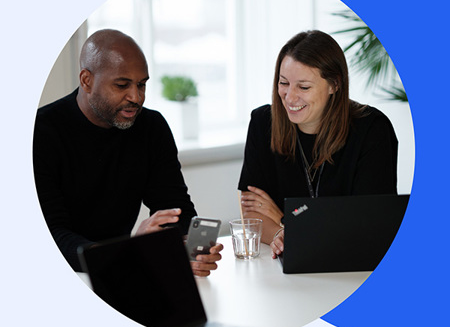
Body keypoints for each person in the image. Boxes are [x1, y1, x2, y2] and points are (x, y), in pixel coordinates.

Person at [33, 29, 222, 276]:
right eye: (122, 85)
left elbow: (175, 209)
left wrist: (186, 247)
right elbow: (52, 235)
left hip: (121, 270)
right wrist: (128, 251)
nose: (136, 97)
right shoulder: (41, 132)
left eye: (142, 84)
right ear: (86, 80)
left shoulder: (151, 127)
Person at [238, 30, 398, 259]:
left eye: (303, 87)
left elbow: (367, 223)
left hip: (351, 266)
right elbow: (252, 213)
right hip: (282, 262)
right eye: (283, 83)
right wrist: (281, 235)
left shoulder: (372, 129)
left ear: (334, 84)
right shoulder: (262, 122)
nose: (289, 97)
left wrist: (284, 218)